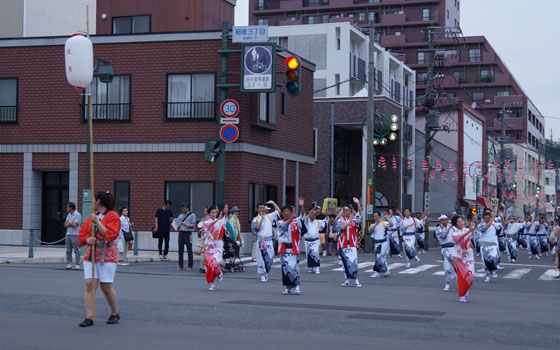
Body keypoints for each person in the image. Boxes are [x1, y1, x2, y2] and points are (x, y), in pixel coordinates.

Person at [78, 191, 121, 327]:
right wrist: (87, 239)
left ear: (99, 202)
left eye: (95, 200)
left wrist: (97, 222)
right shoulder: (92, 216)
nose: (93, 203)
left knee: (106, 286)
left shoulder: (113, 216)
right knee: (89, 284)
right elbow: (82, 233)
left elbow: (110, 234)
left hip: (106, 255)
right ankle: (89, 316)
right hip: (91, 254)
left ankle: (115, 313)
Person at [277, 200, 304, 294]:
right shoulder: (279, 222)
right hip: (284, 249)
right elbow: (284, 226)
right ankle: (288, 287)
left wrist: (301, 206)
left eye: (288, 211)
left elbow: (303, 217)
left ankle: (297, 285)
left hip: (293, 248)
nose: (286, 212)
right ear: (282, 213)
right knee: (285, 268)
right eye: (284, 211)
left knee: (294, 267)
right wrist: (291, 218)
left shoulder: (296, 222)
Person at [336, 197, 362, 287]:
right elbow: (341, 228)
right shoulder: (340, 221)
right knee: (345, 263)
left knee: (353, 261)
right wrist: (348, 222)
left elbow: (360, 213)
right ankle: (347, 279)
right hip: (343, 244)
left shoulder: (355, 220)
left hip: (352, 244)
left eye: (348, 211)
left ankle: (356, 280)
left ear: (351, 212)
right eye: (345, 211)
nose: (347, 212)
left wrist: (357, 203)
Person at [252, 201, 281, 282]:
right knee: (261, 258)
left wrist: (273, 203)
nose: (261, 209)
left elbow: (278, 211)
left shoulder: (269, 216)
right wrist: (262, 219)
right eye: (260, 208)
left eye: (263, 208)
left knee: (270, 257)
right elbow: (256, 228)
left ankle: (265, 272)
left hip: (269, 240)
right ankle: (262, 275)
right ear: (257, 210)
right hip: (261, 240)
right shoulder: (256, 219)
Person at [203, 205, 229, 291]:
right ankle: (212, 284)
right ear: (209, 214)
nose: (214, 214)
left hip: (218, 245)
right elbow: (210, 224)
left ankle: (219, 272)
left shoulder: (219, 221)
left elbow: (225, 220)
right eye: (212, 213)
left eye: (215, 212)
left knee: (216, 263)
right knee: (210, 266)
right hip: (210, 247)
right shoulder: (206, 222)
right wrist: (218, 219)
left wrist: (225, 212)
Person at [451, 215, 475, 303]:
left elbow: (472, 233)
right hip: (460, 257)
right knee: (462, 277)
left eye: (462, 221)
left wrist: (474, 224)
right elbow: (458, 238)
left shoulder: (466, 230)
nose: (461, 223)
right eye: (459, 222)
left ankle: (466, 288)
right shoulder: (455, 233)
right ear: (456, 225)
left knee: (471, 275)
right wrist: (469, 230)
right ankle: (462, 295)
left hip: (468, 254)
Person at [302, 203, 327, 275]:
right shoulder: (307, 221)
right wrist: (310, 213)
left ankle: (317, 268)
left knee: (315, 254)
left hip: (315, 240)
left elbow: (325, 222)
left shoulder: (318, 221)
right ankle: (312, 268)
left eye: (313, 214)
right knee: (309, 255)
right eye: (311, 214)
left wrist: (326, 215)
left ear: (315, 215)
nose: (312, 215)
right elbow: (304, 218)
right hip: (307, 240)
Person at [477, 211, 500, 283]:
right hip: (484, 246)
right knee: (485, 262)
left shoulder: (494, 224)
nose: (487, 219)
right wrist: (492, 219)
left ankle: (493, 270)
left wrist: (501, 216)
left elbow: (502, 226)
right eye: (485, 218)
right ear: (483, 218)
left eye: (488, 218)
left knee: (494, 257)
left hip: (492, 245)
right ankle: (487, 276)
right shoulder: (480, 225)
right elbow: (485, 228)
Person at [435, 214, 456, 291]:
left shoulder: (452, 227)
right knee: (447, 267)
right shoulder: (438, 228)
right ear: (441, 221)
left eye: (446, 220)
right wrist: (448, 229)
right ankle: (447, 283)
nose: (445, 222)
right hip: (445, 249)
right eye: (443, 220)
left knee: (455, 265)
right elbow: (443, 236)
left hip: (453, 248)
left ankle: (458, 280)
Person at [368, 211, 392, 278]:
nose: (374, 217)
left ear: (379, 216)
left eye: (376, 216)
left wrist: (387, 218)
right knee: (379, 257)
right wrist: (376, 224)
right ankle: (382, 271)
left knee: (381, 256)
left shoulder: (384, 223)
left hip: (384, 242)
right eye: (374, 216)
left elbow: (391, 225)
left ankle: (381, 271)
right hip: (377, 242)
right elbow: (370, 230)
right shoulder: (373, 225)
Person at [176, 203, 196, 271]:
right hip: (181, 233)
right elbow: (178, 224)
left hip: (188, 233)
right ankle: (180, 266)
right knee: (180, 250)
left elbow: (193, 225)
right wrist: (177, 226)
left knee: (189, 250)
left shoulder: (192, 215)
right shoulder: (180, 216)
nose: (183, 210)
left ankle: (190, 266)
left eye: (184, 208)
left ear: (187, 208)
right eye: (182, 209)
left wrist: (186, 224)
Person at [64, 202, 82, 270]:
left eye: (68, 207)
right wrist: (70, 223)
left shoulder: (77, 214)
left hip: (75, 234)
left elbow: (75, 225)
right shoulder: (68, 215)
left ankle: (77, 264)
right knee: (68, 250)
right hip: (68, 234)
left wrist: (69, 223)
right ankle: (69, 263)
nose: (67, 208)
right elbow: (65, 224)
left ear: (71, 207)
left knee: (76, 250)